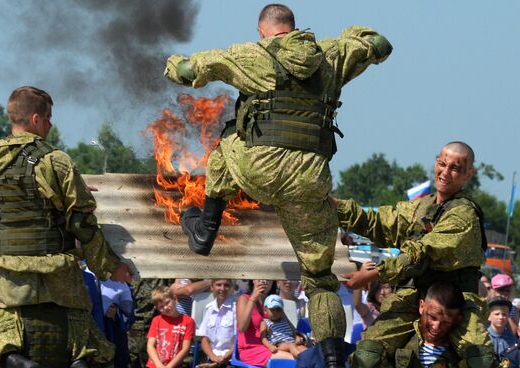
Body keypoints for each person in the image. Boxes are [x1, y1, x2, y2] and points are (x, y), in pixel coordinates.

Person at [165, 4, 392, 367]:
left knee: (227, 139)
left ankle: (205, 228)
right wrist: (348, 37)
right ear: (295, 29)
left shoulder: (251, 54)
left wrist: (172, 63)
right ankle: (334, 360)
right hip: (309, 179)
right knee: (319, 279)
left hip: (259, 170)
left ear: (263, 31)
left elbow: (188, 69)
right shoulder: (331, 56)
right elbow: (378, 44)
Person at [0, 86, 131, 367]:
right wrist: (110, 266)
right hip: (54, 272)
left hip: (6, 273)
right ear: (35, 119)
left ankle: (13, 359)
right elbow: (81, 222)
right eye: (48, 118)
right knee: (90, 347)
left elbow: (23, 202)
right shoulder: (55, 160)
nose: (51, 124)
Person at [336, 142, 495, 367]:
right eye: (442, 164)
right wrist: (333, 206)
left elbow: (421, 252)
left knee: (481, 360)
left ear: (469, 174)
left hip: (455, 301)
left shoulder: (464, 215)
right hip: (413, 295)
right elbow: (376, 222)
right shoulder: (420, 207)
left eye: (455, 168)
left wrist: (375, 274)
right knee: (367, 355)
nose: (445, 172)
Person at [393, 282, 466, 367]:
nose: (436, 327)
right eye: (432, 317)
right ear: (422, 306)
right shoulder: (400, 341)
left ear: (457, 320)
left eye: (445, 322)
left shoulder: (459, 356)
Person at [237, 280, 294, 366]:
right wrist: (253, 298)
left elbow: (289, 326)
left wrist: (298, 336)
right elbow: (242, 328)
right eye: (260, 278)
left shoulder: (274, 301)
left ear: (273, 283)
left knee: (304, 354)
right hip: (252, 349)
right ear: (253, 280)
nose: (264, 281)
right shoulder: (244, 298)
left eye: (268, 279)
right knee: (295, 359)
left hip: (275, 345)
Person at [146, 286, 195, 368]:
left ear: (175, 299)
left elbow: (185, 349)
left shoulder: (188, 321)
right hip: (154, 365)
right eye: (161, 307)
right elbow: (150, 346)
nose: (165, 308)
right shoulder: (156, 320)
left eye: (167, 302)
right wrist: (158, 365)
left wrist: (169, 366)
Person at [198, 279, 237, 367]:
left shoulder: (236, 309)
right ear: (212, 287)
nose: (222, 289)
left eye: (226, 285)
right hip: (211, 358)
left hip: (231, 360)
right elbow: (205, 339)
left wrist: (224, 358)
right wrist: (213, 357)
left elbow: (239, 340)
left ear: (231, 288)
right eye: (218, 285)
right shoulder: (209, 308)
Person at [260, 294, 307, 358]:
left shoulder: (284, 321)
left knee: (302, 348)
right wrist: (270, 346)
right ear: (265, 310)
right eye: (272, 309)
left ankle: (310, 360)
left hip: (292, 343)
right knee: (291, 346)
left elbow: (293, 331)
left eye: (278, 309)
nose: (275, 312)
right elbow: (263, 338)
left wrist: (296, 337)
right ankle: (302, 359)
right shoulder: (265, 322)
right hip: (279, 345)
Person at [487, 296, 519, 366]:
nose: (501, 317)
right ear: (489, 316)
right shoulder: (484, 338)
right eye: (497, 314)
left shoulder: (513, 339)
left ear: (508, 317)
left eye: (504, 314)